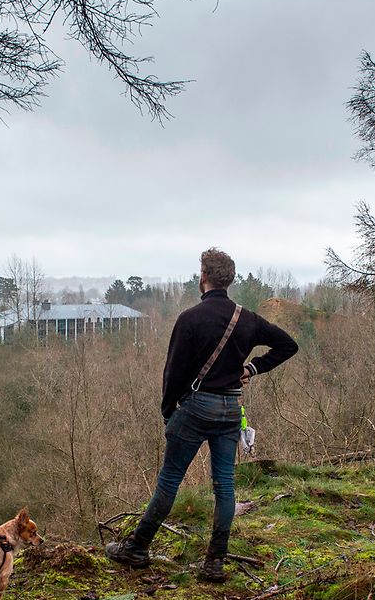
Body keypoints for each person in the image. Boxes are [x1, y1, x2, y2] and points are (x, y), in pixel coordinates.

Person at [106, 248, 298, 582]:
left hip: (195, 409)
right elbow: (287, 345)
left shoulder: (190, 319)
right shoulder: (248, 319)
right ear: (229, 279)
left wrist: (169, 413)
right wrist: (251, 368)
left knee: (170, 480)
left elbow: (174, 373)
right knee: (224, 486)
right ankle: (215, 563)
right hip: (230, 410)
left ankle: (137, 548)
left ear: (204, 277)